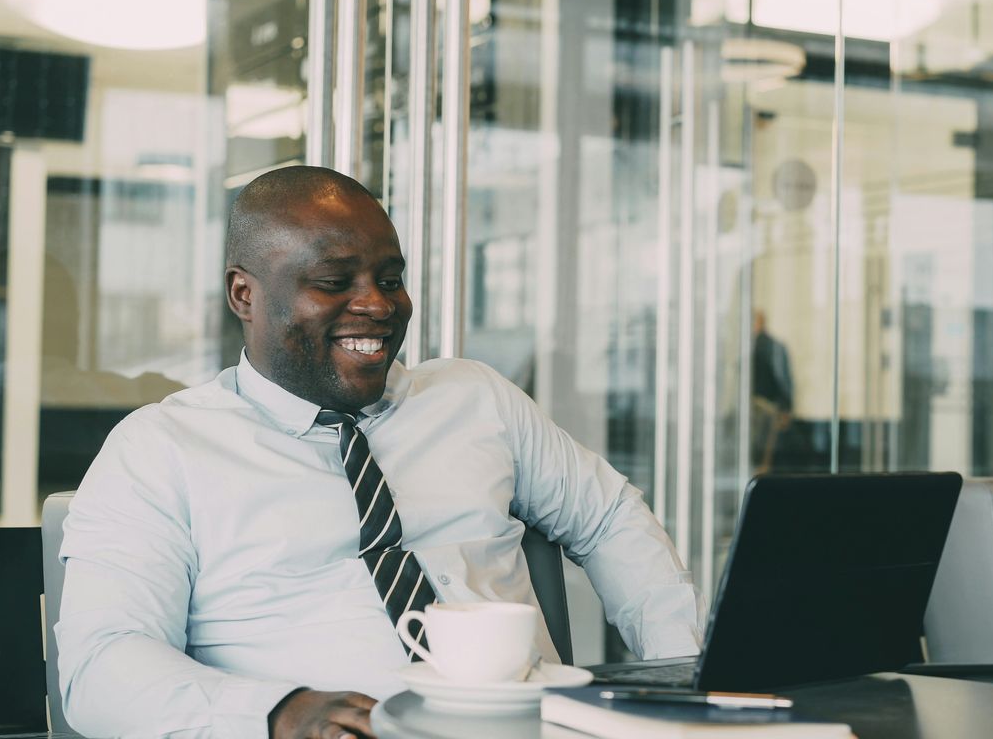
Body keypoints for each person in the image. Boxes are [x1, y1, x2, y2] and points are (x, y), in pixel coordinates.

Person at [55, 166, 702, 739]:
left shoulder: (475, 398)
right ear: (244, 295)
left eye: (390, 278)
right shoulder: (161, 449)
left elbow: (610, 516)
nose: (376, 304)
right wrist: (277, 714)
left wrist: (684, 672)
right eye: (335, 281)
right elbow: (103, 664)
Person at [750, 309, 794, 473]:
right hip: (770, 405)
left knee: (759, 450)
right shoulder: (776, 346)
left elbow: (783, 378)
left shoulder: (756, 346)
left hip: (760, 406)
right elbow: (785, 379)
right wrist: (786, 407)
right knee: (766, 453)